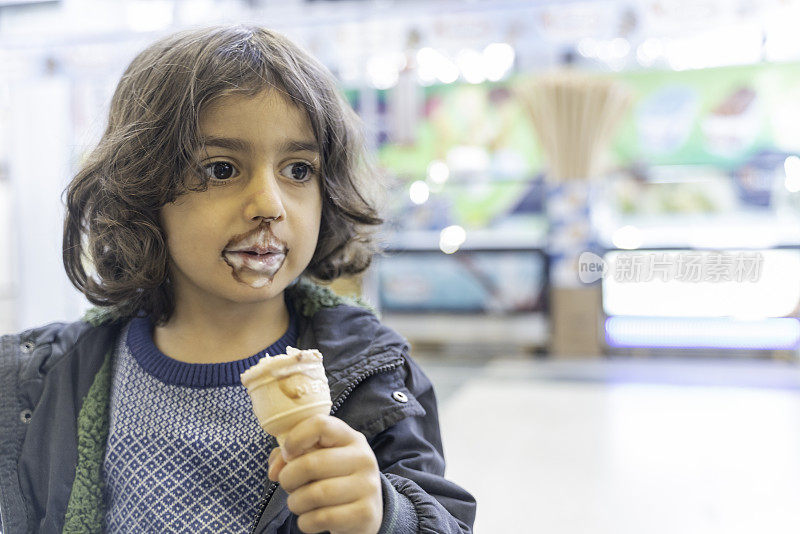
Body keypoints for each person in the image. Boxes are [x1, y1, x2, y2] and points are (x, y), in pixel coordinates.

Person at [0, 25, 476, 534]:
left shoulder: (374, 375)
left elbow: (442, 518)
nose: (269, 205)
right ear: (141, 188)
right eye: (222, 169)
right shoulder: (48, 380)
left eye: (298, 170)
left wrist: (386, 515)